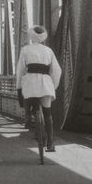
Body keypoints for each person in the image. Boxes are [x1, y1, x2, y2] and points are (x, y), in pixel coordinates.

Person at [14, 24, 62, 154]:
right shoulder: (48, 51)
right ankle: (51, 143)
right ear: (43, 37)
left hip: (31, 82)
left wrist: (19, 84)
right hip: (46, 84)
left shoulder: (25, 50)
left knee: (28, 96)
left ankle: (28, 118)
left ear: (31, 36)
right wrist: (53, 85)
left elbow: (20, 70)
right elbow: (57, 71)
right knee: (47, 113)